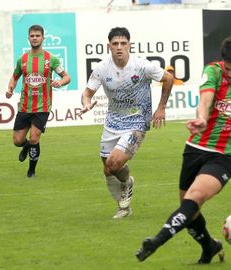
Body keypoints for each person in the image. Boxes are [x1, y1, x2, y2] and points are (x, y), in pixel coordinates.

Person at [135, 34, 231, 263]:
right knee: (189, 208)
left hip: (225, 156)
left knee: (194, 198)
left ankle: (155, 242)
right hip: (195, 147)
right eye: (228, 68)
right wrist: (202, 118)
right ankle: (210, 246)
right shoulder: (214, 71)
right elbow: (205, 100)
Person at [80, 27, 174, 219]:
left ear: (130, 45)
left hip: (137, 121)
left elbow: (169, 78)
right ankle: (124, 200)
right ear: (109, 46)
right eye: (115, 44)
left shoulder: (141, 66)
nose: (119, 47)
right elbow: (87, 93)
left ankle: (126, 189)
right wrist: (87, 103)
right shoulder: (101, 68)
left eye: (123, 43)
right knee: (108, 169)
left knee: (114, 164)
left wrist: (161, 107)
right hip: (112, 121)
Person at [5, 24, 71, 178]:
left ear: (43, 38)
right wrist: (10, 88)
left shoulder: (51, 59)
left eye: (37, 35)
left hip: (42, 106)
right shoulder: (22, 59)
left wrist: (60, 83)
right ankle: (26, 145)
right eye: (32, 36)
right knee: (17, 141)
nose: (34, 38)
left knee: (34, 138)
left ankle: (31, 171)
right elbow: (15, 77)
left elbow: (66, 77)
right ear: (28, 38)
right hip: (25, 106)